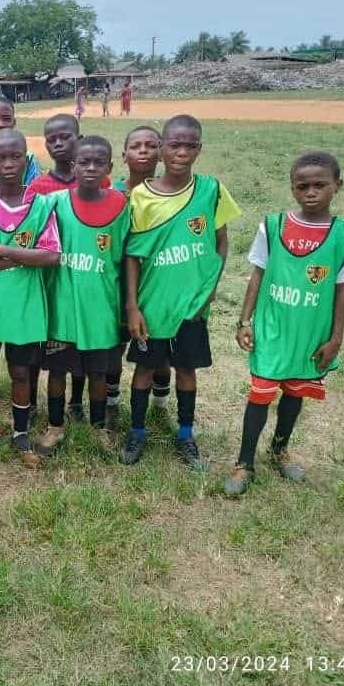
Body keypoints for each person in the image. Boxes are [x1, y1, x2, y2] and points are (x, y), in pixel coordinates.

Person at [225, 152, 344, 496]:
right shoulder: (273, 226)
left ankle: (279, 447)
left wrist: (335, 339)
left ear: (338, 186)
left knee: (294, 391)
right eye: (303, 186)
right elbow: (257, 275)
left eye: (320, 185)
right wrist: (245, 321)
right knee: (259, 394)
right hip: (272, 329)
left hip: (310, 333)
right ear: (292, 188)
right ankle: (244, 462)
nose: (311, 192)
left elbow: (341, 291)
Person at [122, 115, 242, 469]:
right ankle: (137, 431)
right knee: (144, 370)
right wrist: (132, 305)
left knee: (186, 369)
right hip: (153, 304)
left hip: (192, 305)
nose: (182, 152)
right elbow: (133, 255)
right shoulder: (141, 197)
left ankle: (186, 435)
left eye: (190, 145)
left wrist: (210, 289)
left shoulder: (211, 190)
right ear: (161, 149)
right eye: (174, 144)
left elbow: (221, 243)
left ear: (199, 149)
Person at [0, 129, 60, 470]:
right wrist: (26, 255)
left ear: (27, 159)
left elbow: (51, 256)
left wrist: (1, 249)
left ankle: (20, 433)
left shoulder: (43, 206)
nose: (8, 163)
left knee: (21, 372)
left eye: (15, 156)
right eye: (0, 158)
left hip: (24, 305)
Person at [39, 137, 131, 455]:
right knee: (57, 370)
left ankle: (99, 427)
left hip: (101, 307)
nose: (91, 168)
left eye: (99, 162)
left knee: (98, 372)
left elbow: (123, 259)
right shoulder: (56, 204)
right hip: (62, 305)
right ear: (73, 165)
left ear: (110, 167)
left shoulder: (121, 205)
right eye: (84, 162)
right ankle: (54, 425)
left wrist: (125, 306)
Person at [25, 114, 112, 426]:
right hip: (54, 283)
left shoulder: (100, 184)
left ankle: (79, 402)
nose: (59, 143)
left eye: (66, 136)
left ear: (79, 137)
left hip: (89, 283)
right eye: (52, 139)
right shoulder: (38, 187)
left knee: (87, 350)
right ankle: (40, 406)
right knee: (51, 353)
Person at [110, 125, 171, 421]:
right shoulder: (112, 195)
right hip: (119, 281)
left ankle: (160, 399)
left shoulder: (168, 195)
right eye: (136, 146)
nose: (144, 150)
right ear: (124, 155)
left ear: (161, 152)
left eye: (151, 145)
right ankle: (110, 399)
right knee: (115, 343)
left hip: (157, 282)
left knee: (158, 342)